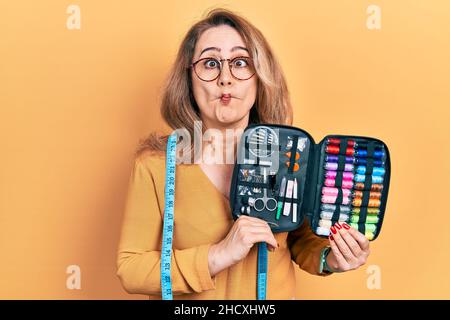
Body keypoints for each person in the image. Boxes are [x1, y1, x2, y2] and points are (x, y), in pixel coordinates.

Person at [116, 8, 370, 300]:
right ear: (189, 77)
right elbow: (131, 267)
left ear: (260, 76)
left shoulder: (287, 156)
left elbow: (298, 239)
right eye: (210, 63)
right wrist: (218, 255)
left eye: (240, 62)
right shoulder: (156, 164)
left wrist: (331, 258)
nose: (226, 78)